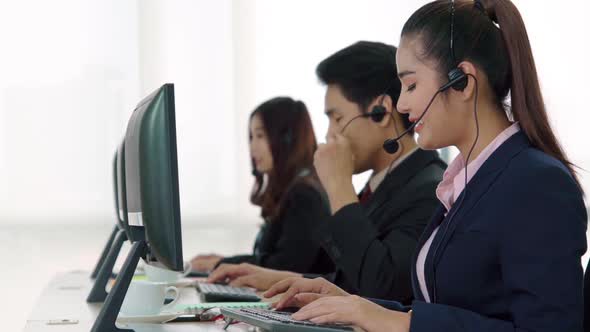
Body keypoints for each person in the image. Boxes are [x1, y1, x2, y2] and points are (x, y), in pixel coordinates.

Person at [262, 1, 587, 331]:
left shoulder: (536, 183)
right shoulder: (465, 181)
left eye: (412, 85)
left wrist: (401, 324)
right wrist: (357, 305)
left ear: (462, 81)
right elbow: (449, 307)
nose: (403, 104)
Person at [208, 41, 446, 304]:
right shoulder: (381, 186)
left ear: (381, 111)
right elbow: (349, 281)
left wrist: (338, 185)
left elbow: (381, 287)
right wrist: (277, 278)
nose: (329, 134)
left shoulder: (430, 189)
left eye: (337, 118)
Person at [191, 97, 332, 275]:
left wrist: (224, 263)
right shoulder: (291, 190)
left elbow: (285, 267)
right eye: (251, 137)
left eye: (260, 136)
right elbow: (271, 260)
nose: (252, 147)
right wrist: (224, 262)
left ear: (287, 139)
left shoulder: (304, 195)